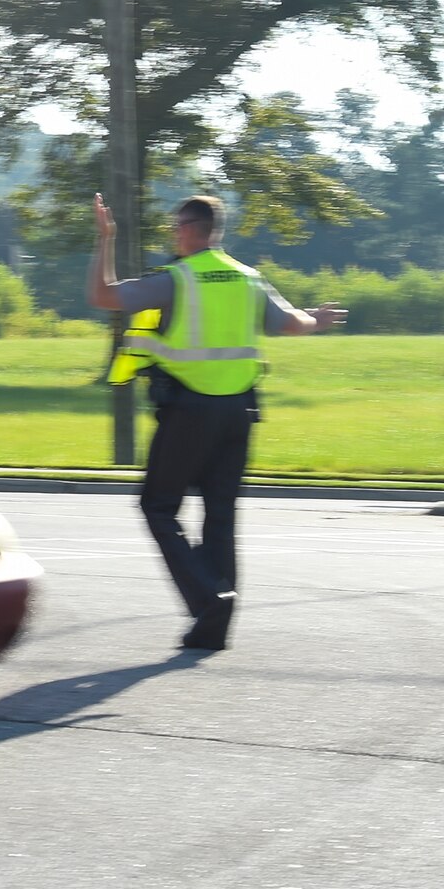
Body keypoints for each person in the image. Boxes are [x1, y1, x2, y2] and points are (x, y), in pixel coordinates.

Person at [89, 193, 343, 650]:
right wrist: (317, 320)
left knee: (157, 506)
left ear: (194, 228)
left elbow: (103, 295)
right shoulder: (248, 278)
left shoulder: (178, 279)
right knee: (220, 515)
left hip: (191, 410)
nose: (173, 231)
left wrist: (105, 239)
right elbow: (287, 323)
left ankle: (209, 597)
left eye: (177, 224)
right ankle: (214, 628)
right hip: (239, 412)